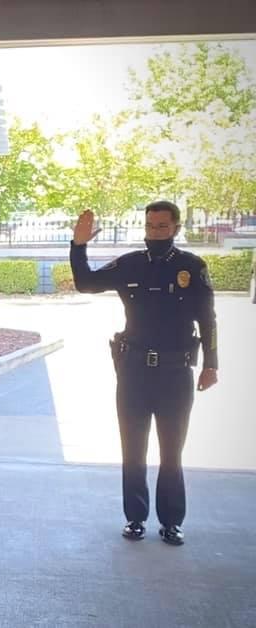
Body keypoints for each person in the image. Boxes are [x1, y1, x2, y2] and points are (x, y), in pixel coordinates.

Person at [70, 202, 218, 546]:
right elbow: (86, 283)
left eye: (162, 227)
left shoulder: (192, 268)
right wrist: (78, 246)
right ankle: (135, 518)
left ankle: (171, 522)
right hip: (134, 372)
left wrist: (211, 363)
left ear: (176, 229)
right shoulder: (130, 264)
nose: (155, 233)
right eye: (150, 227)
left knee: (171, 453)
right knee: (133, 450)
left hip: (175, 373)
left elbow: (207, 320)